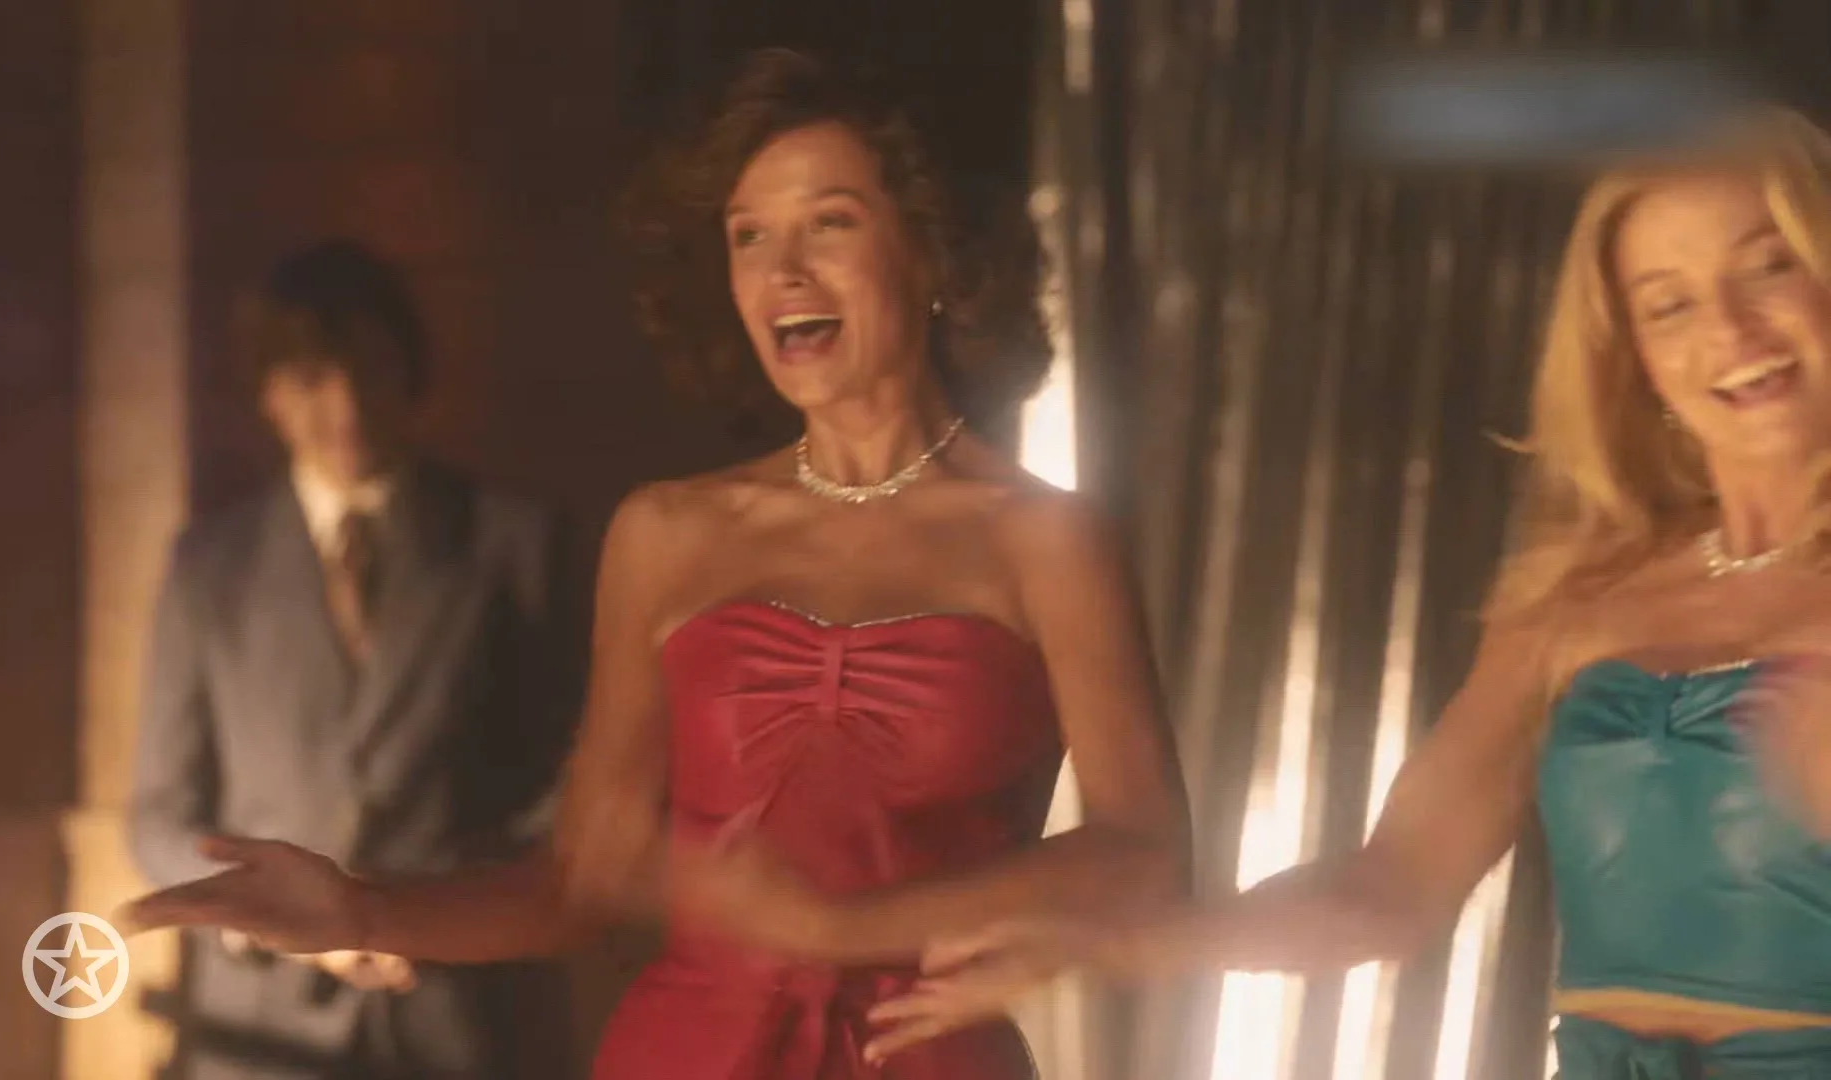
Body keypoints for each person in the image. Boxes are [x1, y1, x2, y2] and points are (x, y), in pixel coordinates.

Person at [116, 49, 1192, 1080]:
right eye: (748, 236)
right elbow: (580, 882)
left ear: (931, 252)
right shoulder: (667, 534)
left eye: (830, 223)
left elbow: (1144, 858)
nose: (783, 271)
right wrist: (367, 908)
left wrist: (853, 927)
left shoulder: (1047, 540)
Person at [859, 107, 1831, 1077]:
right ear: (1637, 361)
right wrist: (1107, 943)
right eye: (1670, 305)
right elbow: (1388, 891)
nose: (1730, 330)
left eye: (1767, 268)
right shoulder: (1577, 603)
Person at [128, 239, 586, 1080]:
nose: (344, 407)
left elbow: (570, 785)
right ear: (270, 395)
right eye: (311, 380)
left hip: (460, 1017)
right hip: (259, 1032)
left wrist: (418, 914)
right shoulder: (210, 567)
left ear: (409, 374)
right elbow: (158, 812)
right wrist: (266, 914)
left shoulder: (513, 544)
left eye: (368, 372)